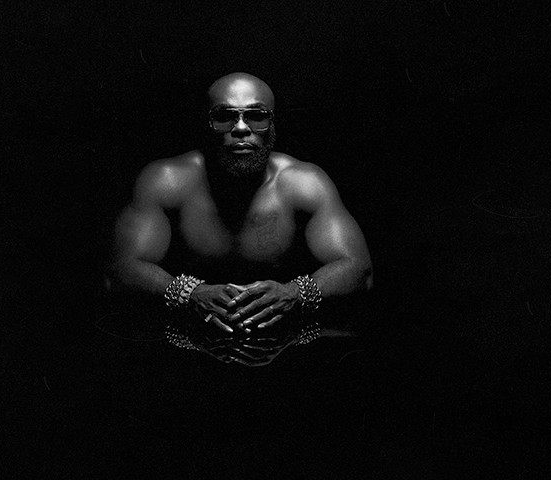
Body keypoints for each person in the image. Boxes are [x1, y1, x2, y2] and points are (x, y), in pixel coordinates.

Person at [107, 72, 372, 338]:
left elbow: (359, 269)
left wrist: (295, 293)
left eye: (257, 116)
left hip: (283, 347)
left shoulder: (305, 183)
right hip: (188, 345)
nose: (242, 128)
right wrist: (189, 294)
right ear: (207, 124)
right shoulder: (166, 181)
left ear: (272, 123)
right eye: (224, 117)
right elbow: (120, 270)